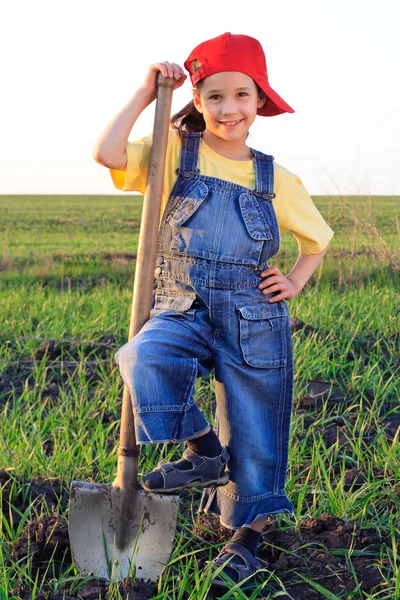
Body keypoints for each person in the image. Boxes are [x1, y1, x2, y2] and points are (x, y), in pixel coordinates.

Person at [92, 32, 334, 588]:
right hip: (181, 303)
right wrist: (145, 94)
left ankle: (247, 536)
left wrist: (293, 279)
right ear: (197, 99)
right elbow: (106, 153)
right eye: (215, 96)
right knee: (143, 358)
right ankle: (202, 451)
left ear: (259, 103)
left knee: (255, 426)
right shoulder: (177, 149)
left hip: (253, 318)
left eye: (241, 96)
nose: (229, 109)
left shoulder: (277, 178)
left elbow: (317, 239)